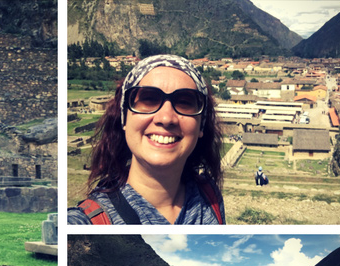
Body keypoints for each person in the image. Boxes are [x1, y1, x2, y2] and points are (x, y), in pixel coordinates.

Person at [68, 54, 224, 225]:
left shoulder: (210, 196)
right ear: (124, 118)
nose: (166, 118)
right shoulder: (85, 223)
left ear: (201, 125)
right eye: (149, 99)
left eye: (184, 102)